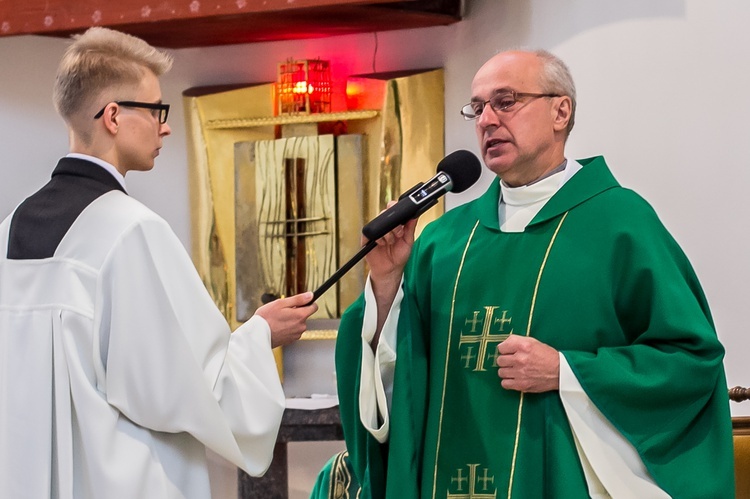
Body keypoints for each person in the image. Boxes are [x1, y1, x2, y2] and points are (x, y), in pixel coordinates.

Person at [334, 49, 735, 498]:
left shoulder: (620, 223)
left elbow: (689, 360)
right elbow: (401, 374)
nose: (487, 120)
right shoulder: (443, 239)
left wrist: (566, 370)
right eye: (478, 107)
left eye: (505, 102)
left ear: (560, 111)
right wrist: (386, 283)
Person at [0, 27, 318, 498]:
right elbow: (194, 385)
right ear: (112, 116)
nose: (165, 125)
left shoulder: (8, 229)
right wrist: (260, 335)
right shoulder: (130, 231)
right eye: (156, 110)